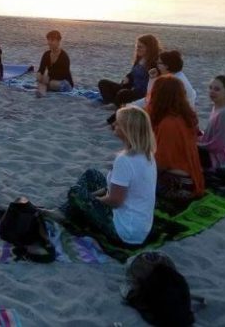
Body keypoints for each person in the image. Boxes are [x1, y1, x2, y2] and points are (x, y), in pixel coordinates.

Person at [65, 106, 157, 245]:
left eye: (118, 123)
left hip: (125, 230)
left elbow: (115, 201)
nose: (113, 124)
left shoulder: (125, 160)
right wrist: (94, 197)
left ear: (127, 129)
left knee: (75, 193)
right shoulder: (147, 154)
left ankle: (66, 212)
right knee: (92, 175)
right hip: (140, 227)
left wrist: (92, 200)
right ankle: (69, 209)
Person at [147, 75, 204, 201]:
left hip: (180, 185)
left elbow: (162, 162)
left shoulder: (169, 123)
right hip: (190, 178)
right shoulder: (185, 116)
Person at [99, 34, 161, 125]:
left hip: (143, 94)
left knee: (124, 93)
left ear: (149, 48)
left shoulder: (155, 63)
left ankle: (116, 105)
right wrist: (128, 77)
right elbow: (133, 73)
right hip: (133, 89)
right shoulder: (139, 59)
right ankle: (113, 104)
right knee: (103, 83)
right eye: (137, 46)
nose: (137, 49)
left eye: (140, 47)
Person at [197, 75, 225, 170]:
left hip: (217, 159)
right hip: (210, 152)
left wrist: (195, 145)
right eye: (210, 88)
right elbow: (211, 136)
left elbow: (218, 145)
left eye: (217, 89)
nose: (212, 91)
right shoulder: (217, 107)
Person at [36, 30, 74, 97]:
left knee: (52, 83)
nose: (49, 42)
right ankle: (44, 89)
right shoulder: (46, 54)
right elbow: (41, 70)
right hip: (51, 81)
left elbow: (63, 75)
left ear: (59, 41)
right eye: (48, 40)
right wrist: (39, 75)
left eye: (52, 40)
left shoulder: (64, 56)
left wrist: (47, 79)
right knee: (41, 80)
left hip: (65, 82)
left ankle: (45, 88)